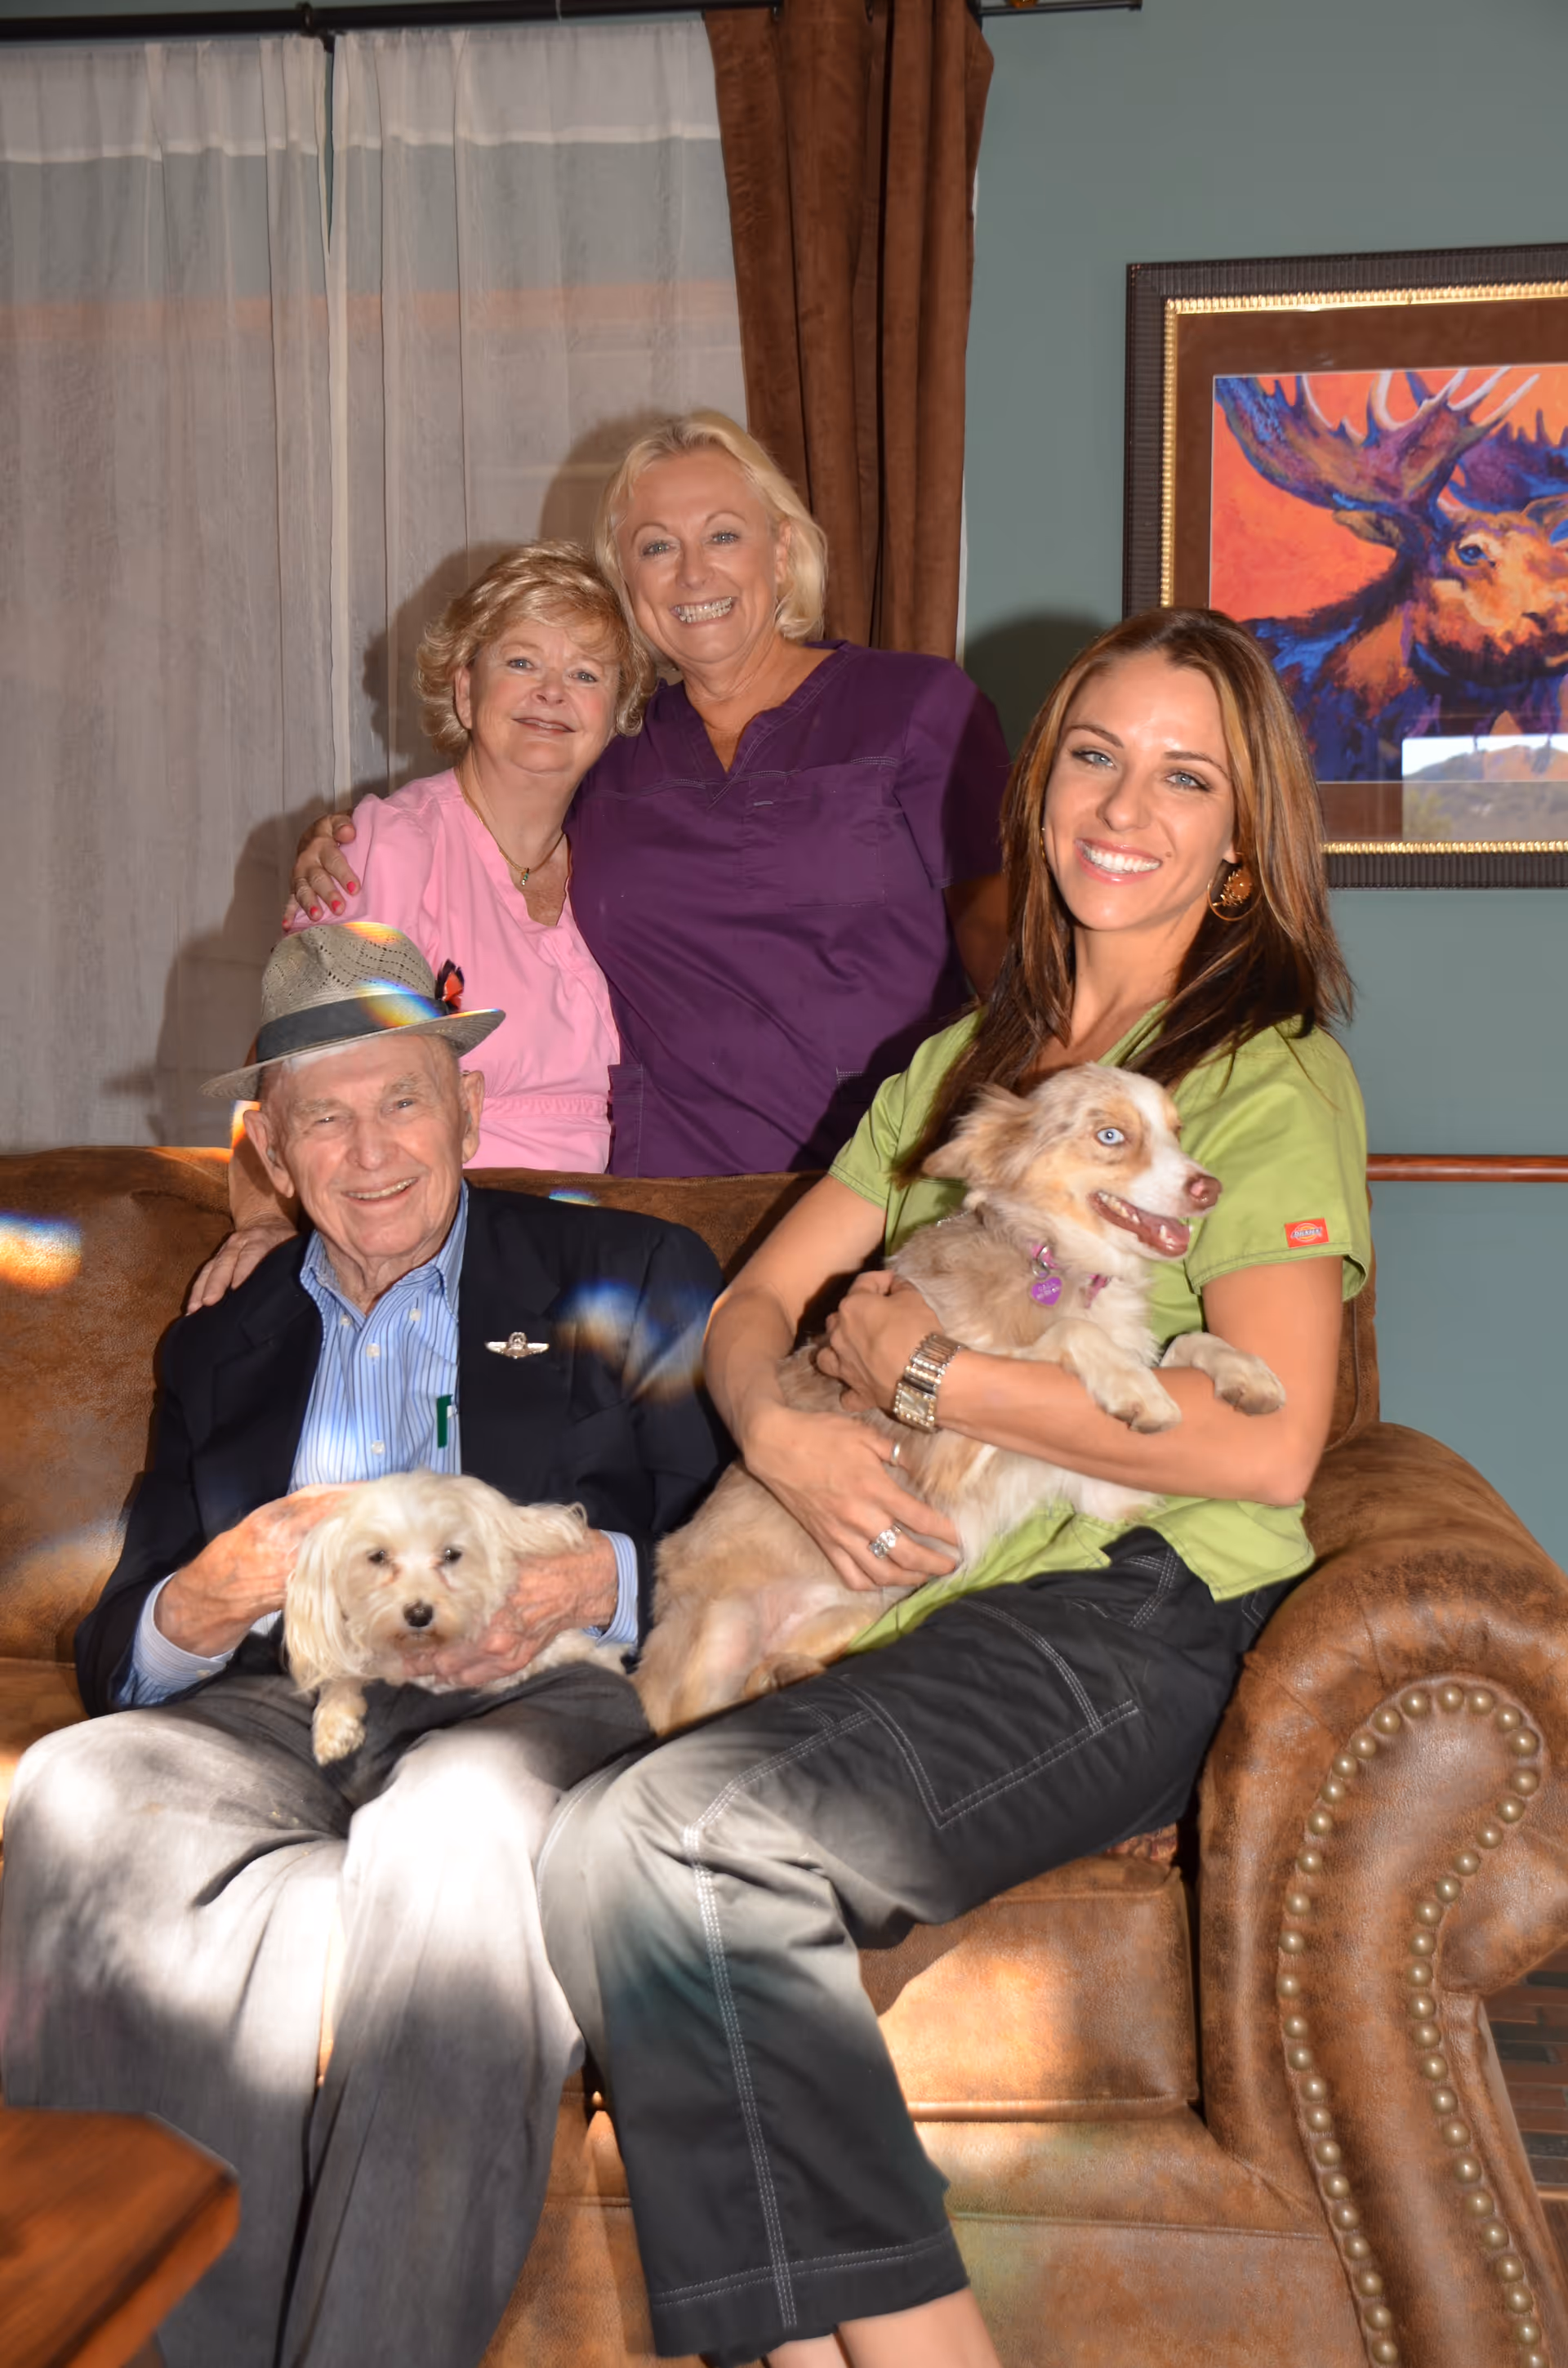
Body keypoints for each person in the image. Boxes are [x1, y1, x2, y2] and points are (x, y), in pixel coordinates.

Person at [533, 608, 1370, 2368]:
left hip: (1139, 1615)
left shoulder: (1265, 1076)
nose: (1124, 804)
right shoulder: (955, 1077)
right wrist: (788, 1429)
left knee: (685, 1831)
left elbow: (1265, 1441)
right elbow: (756, 1304)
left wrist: (930, 1374)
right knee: (624, 1843)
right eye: (1093, 753)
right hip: (937, 1602)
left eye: (1186, 776)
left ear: (1239, 846)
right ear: (1040, 786)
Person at [0, 922, 728, 2368]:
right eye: (321, 1113)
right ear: (267, 1148)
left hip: (537, 1685)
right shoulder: (223, 1339)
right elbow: (124, 1632)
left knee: (456, 1829)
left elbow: (726, 1521)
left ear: (466, 1106)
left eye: (401, 1097)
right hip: (286, 1698)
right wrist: (206, 1592)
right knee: (75, 1791)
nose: (369, 1144)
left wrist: (590, 1576)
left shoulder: (630, 1266)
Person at [287, 411, 1013, 1179]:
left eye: (724, 535)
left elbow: (1006, 956)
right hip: (665, 1208)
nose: (693, 574)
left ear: (784, 548)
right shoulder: (614, 751)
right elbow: (486, 824)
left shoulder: (917, 707)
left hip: (882, 1180)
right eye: (656, 546)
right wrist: (350, 844)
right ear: (627, 584)